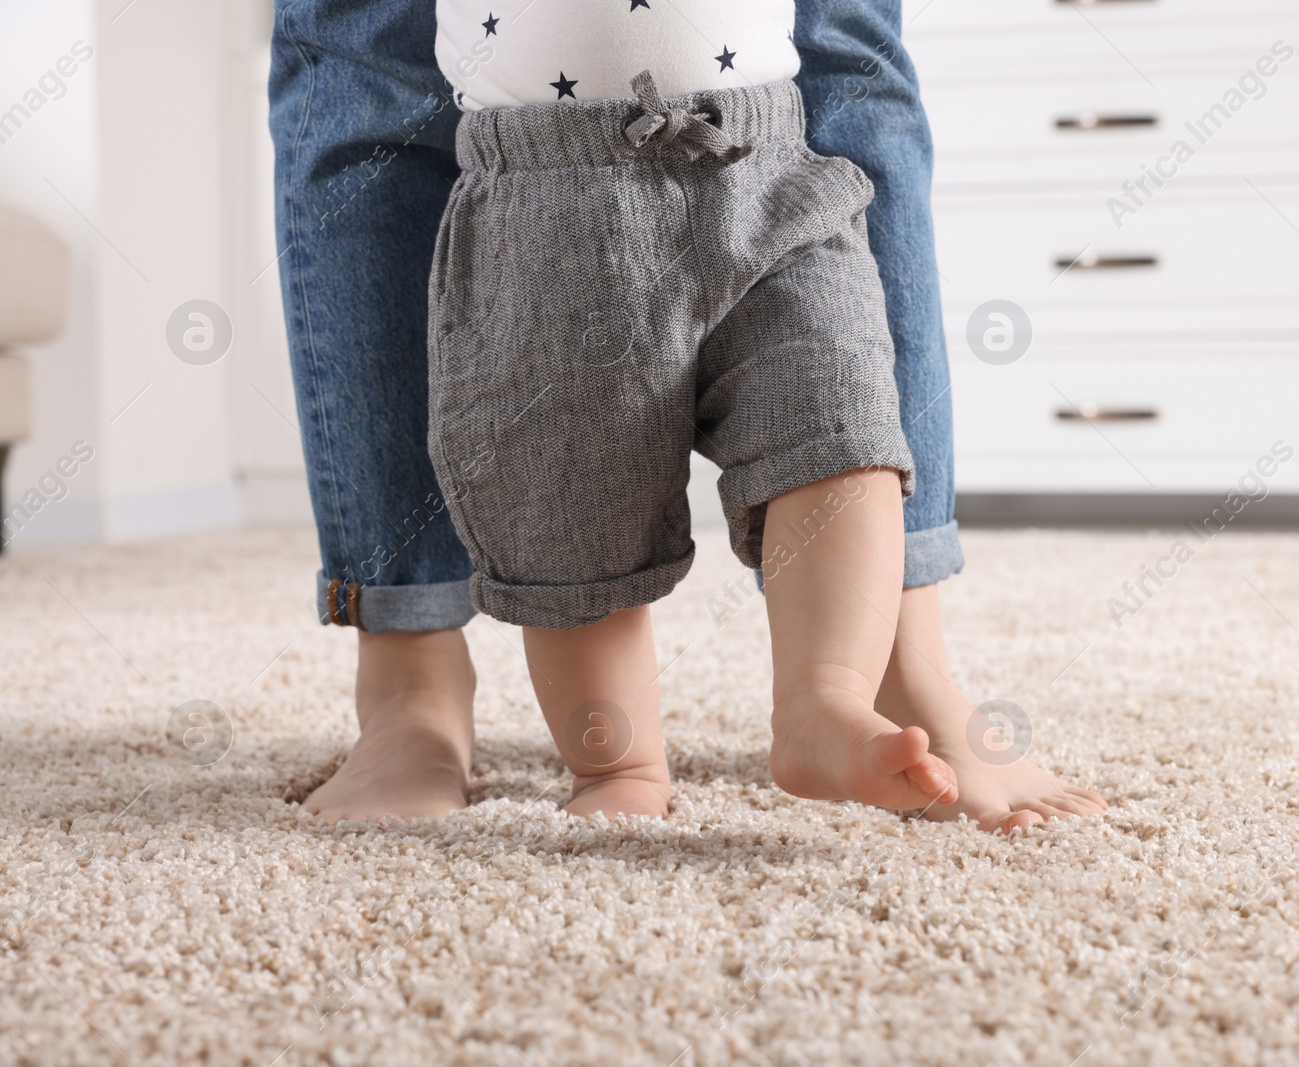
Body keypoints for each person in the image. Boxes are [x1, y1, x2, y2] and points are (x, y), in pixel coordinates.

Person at [268, 0, 1107, 832]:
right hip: (541, 204)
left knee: (839, 425)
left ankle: (831, 696)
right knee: (572, 513)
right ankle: (610, 758)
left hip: (766, 163)